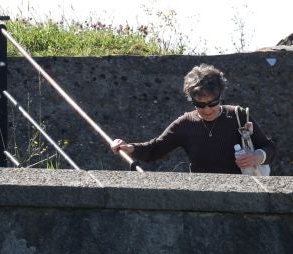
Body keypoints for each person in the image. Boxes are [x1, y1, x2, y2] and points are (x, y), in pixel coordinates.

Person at [111, 64, 276, 174]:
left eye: (212, 103)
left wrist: (256, 157)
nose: (207, 109)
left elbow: (269, 148)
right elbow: (155, 149)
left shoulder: (238, 115)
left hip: (243, 193)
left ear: (220, 96)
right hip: (203, 197)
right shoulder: (185, 124)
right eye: (200, 104)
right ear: (192, 100)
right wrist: (128, 147)